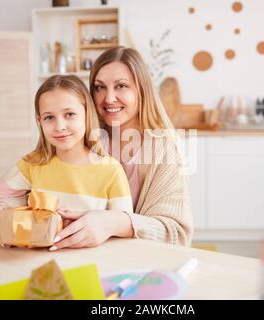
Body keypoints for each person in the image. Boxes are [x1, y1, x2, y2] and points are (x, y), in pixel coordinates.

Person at [0, 75, 133, 249]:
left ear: (87, 114)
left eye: (69, 114)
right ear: (40, 121)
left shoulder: (110, 170)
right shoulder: (32, 165)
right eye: (49, 117)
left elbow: (123, 227)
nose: (60, 126)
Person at [52, 47, 193, 250]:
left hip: (138, 263)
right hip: (79, 256)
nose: (109, 98)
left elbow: (176, 234)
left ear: (141, 90)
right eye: (99, 87)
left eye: (121, 86)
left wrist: (113, 223)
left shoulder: (164, 148)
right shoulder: (79, 138)